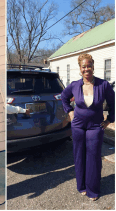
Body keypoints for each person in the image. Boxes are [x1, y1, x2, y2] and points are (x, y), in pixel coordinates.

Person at [61, 53, 115, 201]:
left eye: (89, 65)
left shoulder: (103, 85)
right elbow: (64, 97)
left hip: (95, 127)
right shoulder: (74, 85)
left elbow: (113, 102)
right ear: (80, 68)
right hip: (78, 126)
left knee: (94, 158)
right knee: (79, 156)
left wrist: (110, 119)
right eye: (83, 66)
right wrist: (70, 112)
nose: (86, 69)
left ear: (93, 66)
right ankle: (82, 186)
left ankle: (93, 190)